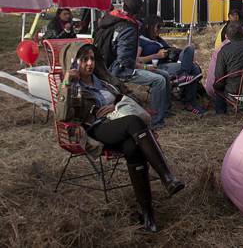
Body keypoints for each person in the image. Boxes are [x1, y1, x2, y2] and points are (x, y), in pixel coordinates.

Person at [58, 42, 184, 233]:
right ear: (74, 62)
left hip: (120, 123)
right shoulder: (73, 87)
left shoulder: (103, 80)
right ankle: (167, 177)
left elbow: (132, 97)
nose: (90, 63)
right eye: (84, 59)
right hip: (98, 129)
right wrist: (67, 81)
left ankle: (148, 218)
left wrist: (116, 103)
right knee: (134, 123)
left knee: (133, 148)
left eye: (92, 58)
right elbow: (63, 115)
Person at [94, 0, 170, 128]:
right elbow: (124, 61)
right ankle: (155, 121)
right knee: (159, 80)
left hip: (103, 65)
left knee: (165, 75)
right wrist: (143, 67)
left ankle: (163, 110)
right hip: (118, 70)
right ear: (139, 10)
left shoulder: (109, 20)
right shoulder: (127, 27)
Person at [137, 15, 204, 115]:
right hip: (154, 67)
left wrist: (172, 51)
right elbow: (137, 60)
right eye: (158, 27)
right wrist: (157, 55)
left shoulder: (159, 40)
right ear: (148, 26)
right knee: (194, 70)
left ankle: (183, 76)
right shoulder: (141, 41)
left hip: (168, 63)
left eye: (161, 27)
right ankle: (189, 102)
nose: (160, 30)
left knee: (190, 49)